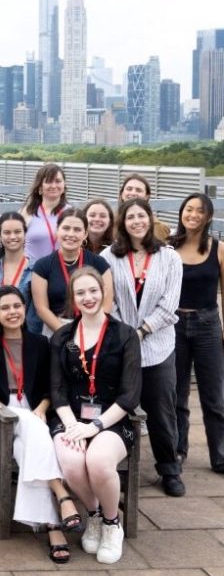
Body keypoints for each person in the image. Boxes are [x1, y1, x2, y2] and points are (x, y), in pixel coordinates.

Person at [0, 286, 78, 564]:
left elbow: (54, 386)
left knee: (28, 450)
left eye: (17, 306)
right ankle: (61, 493)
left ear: (25, 309)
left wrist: (43, 407)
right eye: (5, 307)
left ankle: (52, 527)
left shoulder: (39, 343)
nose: (12, 312)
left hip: (34, 414)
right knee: (34, 432)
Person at [49, 267, 141, 565]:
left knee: (98, 461)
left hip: (112, 420)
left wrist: (96, 427)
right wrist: (72, 424)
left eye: (93, 291)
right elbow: (57, 389)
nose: (88, 298)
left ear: (103, 292)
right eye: (80, 293)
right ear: (72, 298)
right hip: (71, 417)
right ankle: (95, 515)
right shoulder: (62, 336)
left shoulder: (125, 335)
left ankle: (113, 524)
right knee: (73, 463)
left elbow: (130, 395)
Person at [101, 198, 185, 496]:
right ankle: (118, 468)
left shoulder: (169, 258)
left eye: (142, 216)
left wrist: (141, 330)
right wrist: (126, 334)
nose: (137, 221)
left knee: (162, 410)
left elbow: (169, 305)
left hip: (158, 346)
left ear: (150, 219)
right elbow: (105, 301)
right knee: (118, 408)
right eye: (130, 217)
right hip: (121, 347)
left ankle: (169, 468)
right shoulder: (109, 257)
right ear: (122, 222)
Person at [169, 193, 224, 474]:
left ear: (208, 216)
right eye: (188, 209)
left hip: (207, 324)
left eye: (199, 211)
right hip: (174, 324)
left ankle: (220, 454)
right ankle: (179, 451)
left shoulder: (219, 248)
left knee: (214, 395)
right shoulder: (169, 247)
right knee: (177, 394)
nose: (192, 215)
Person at [31, 208, 113, 337]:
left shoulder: (99, 263)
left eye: (77, 230)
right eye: (66, 228)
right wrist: (66, 333)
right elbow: (42, 308)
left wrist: (90, 330)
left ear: (85, 234)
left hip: (93, 330)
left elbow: (107, 303)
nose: (71, 234)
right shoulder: (42, 266)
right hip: (56, 331)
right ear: (57, 230)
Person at [0, 212, 40, 334]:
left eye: (17, 232)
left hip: (26, 337)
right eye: (7, 232)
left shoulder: (36, 269)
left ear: (25, 234)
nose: (12, 237)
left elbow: (36, 315)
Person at [22, 163, 69, 262]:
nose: (53, 185)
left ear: (64, 185)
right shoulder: (27, 212)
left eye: (58, 181)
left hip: (63, 272)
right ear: (39, 187)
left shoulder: (72, 213)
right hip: (31, 272)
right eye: (48, 181)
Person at [118, 173, 170, 241]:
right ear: (122, 194)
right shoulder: (111, 224)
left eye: (138, 190)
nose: (133, 193)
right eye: (129, 189)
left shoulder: (157, 227)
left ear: (147, 196)